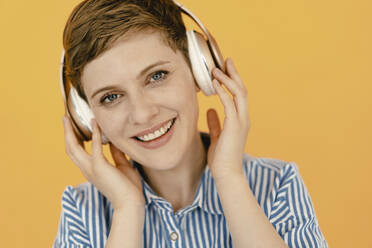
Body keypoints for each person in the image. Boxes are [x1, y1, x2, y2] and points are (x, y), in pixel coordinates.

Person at [54, 0, 328, 247]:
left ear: (200, 70)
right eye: (111, 97)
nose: (142, 114)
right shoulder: (82, 211)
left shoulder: (277, 184)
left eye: (157, 76)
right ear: (85, 118)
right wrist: (127, 210)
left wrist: (230, 178)